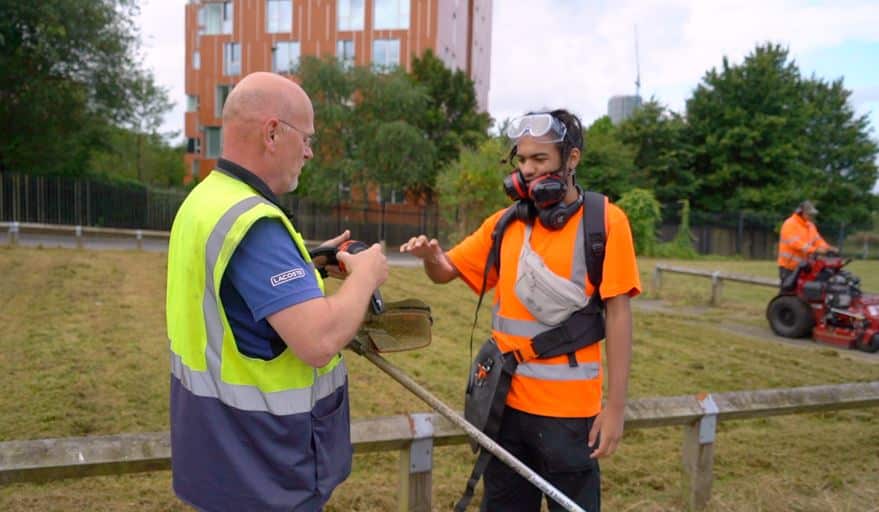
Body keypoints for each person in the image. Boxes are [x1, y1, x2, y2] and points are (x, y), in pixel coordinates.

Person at [166, 72, 388, 512]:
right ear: (272, 132)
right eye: (306, 138)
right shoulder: (255, 224)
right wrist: (367, 274)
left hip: (216, 458)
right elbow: (318, 340)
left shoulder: (206, 200)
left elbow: (233, 297)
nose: (308, 152)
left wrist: (307, 265)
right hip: (267, 471)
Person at [401, 110, 640, 512]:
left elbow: (619, 316)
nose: (528, 170)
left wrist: (614, 408)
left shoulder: (605, 223)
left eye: (539, 160)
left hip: (571, 419)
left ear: (572, 159)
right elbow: (447, 272)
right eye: (522, 160)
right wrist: (431, 257)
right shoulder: (505, 224)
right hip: (505, 409)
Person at [777, 200, 838, 282]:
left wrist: (828, 248)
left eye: (812, 214)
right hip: (789, 268)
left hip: (804, 266)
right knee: (788, 293)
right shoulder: (790, 224)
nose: (811, 216)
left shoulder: (810, 226)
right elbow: (796, 244)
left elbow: (818, 241)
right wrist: (815, 250)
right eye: (809, 214)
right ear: (800, 213)